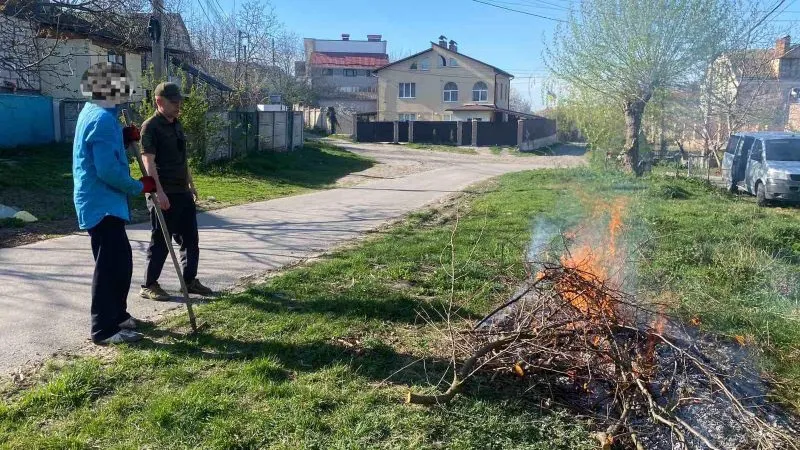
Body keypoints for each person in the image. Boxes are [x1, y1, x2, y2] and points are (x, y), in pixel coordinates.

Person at [73, 62, 157, 345]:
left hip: (101, 202)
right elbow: (107, 170)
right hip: (102, 204)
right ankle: (103, 329)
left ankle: (118, 315)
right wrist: (138, 186)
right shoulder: (102, 120)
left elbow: (103, 151)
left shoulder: (96, 114)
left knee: (120, 262)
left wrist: (121, 139)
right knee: (110, 266)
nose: (126, 92)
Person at [139, 82, 213, 301]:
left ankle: (189, 281)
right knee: (161, 240)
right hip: (163, 192)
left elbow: (183, 158)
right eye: (174, 102)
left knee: (190, 240)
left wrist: (190, 183)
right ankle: (149, 284)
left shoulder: (176, 124)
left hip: (182, 191)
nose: (178, 105)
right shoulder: (150, 127)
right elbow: (148, 163)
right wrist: (158, 192)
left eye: (179, 101)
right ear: (159, 101)